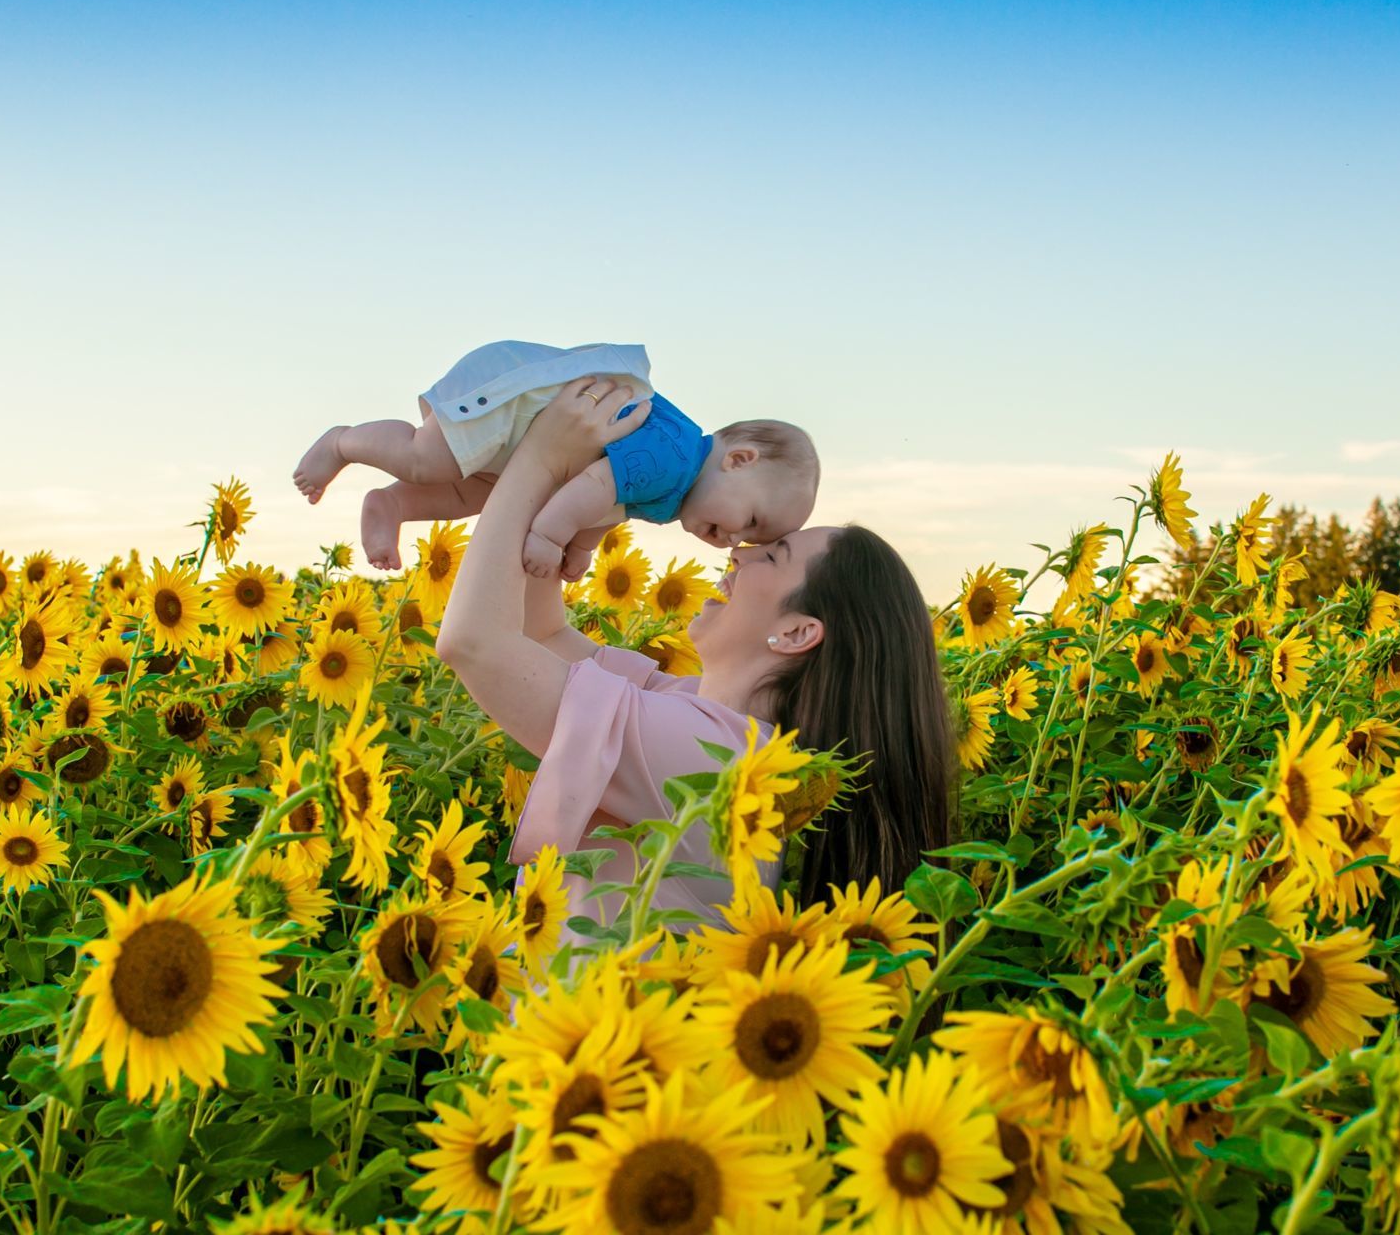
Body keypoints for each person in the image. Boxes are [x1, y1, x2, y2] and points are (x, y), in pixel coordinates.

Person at [436, 375, 951, 938]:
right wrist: (582, 498)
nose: (739, 555)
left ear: (799, 632)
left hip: (601, 1024)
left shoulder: (712, 760)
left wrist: (537, 461)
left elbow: (475, 642)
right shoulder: (706, 721)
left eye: (771, 556)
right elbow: (542, 634)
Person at [292, 339, 820, 575]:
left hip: (529, 443)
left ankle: (394, 506)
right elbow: (594, 488)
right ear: (740, 459)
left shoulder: (677, 487)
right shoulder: (676, 456)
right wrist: (549, 536)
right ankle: (342, 441)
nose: (735, 540)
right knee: (427, 460)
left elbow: (611, 504)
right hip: (519, 406)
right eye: (749, 520)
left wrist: (582, 546)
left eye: (749, 540)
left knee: (473, 494)